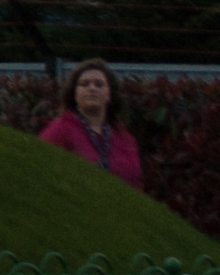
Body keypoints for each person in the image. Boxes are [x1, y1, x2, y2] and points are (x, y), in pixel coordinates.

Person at [37, 60, 144, 189]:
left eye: (99, 84)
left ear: (109, 94)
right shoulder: (59, 131)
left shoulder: (125, 138)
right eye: (84, 84)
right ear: (75, 93)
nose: (92, 88)